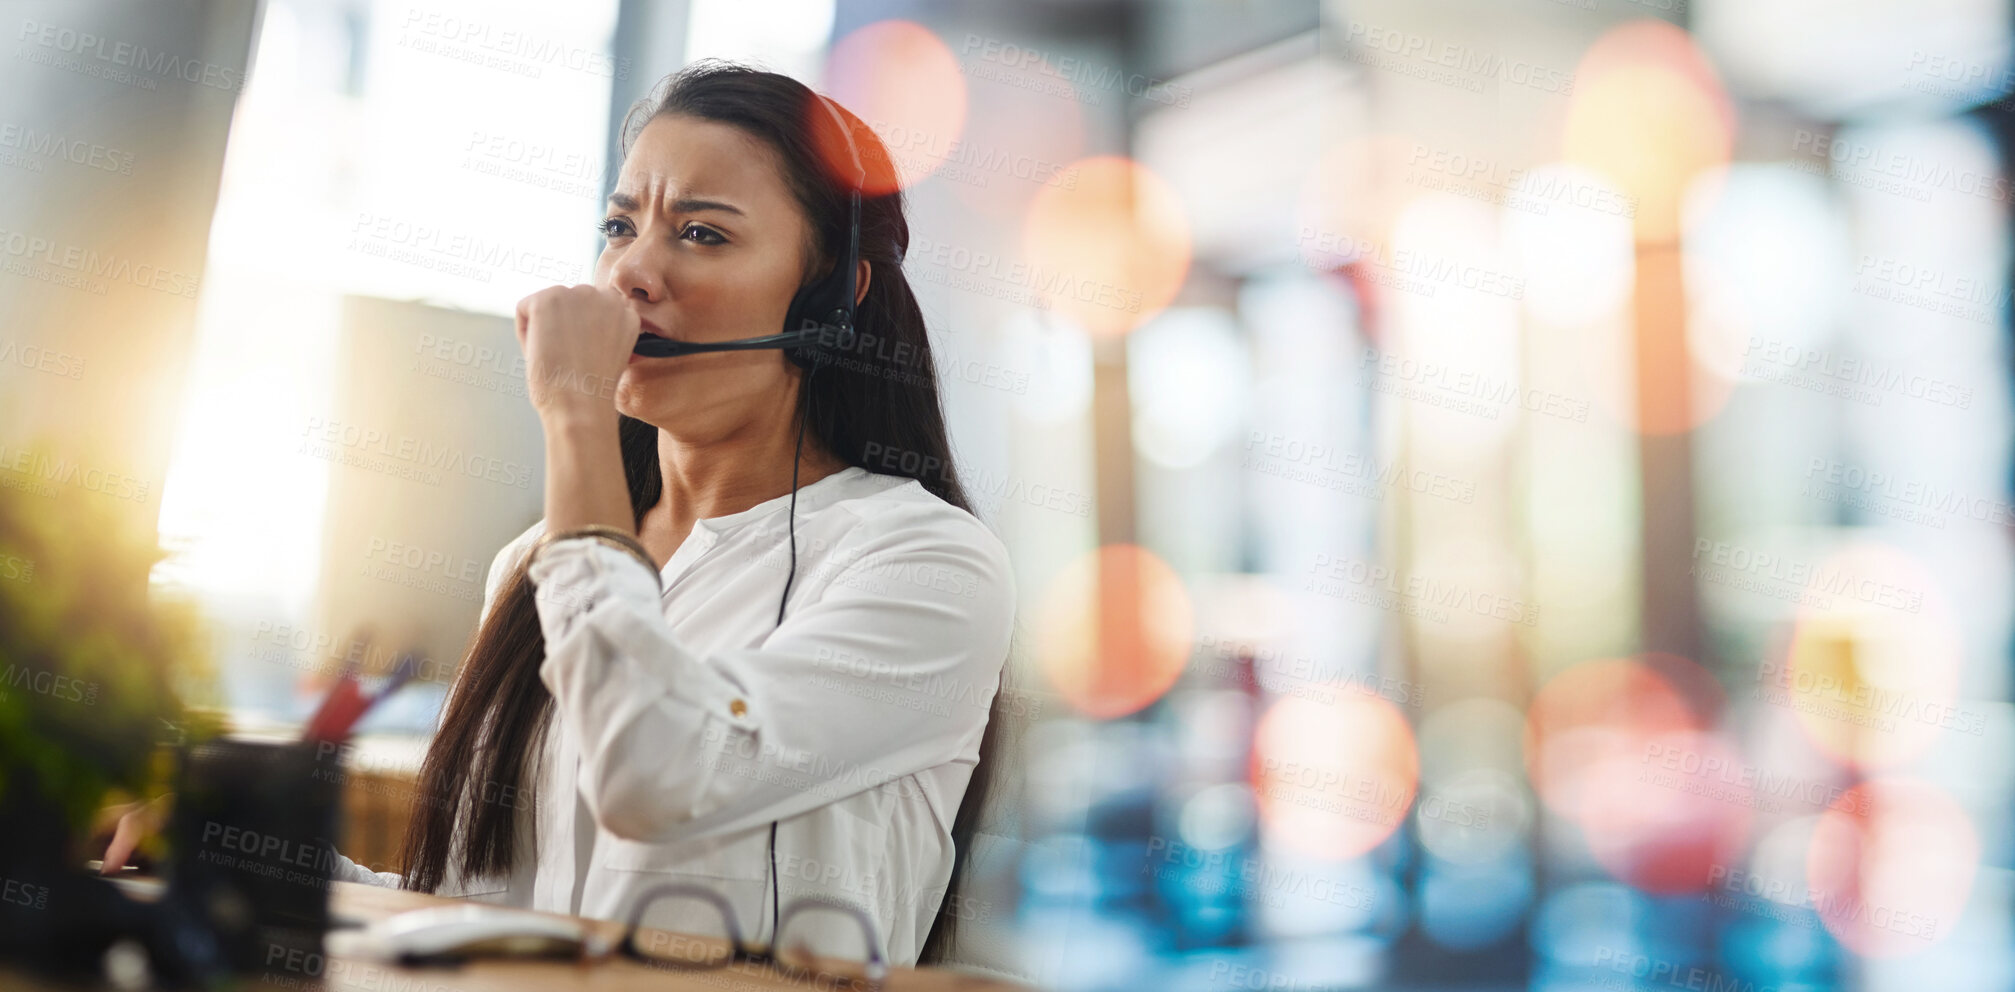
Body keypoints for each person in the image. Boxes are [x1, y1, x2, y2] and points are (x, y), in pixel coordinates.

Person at [106, 61, 1017, 969]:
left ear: (829, 299)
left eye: (701, 233)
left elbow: (656, 775)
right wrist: (250, 860)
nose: (631, 274)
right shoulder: (536, 562)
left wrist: (576, 414)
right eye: (619, 227)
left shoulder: (924, 563)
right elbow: (492, 914)